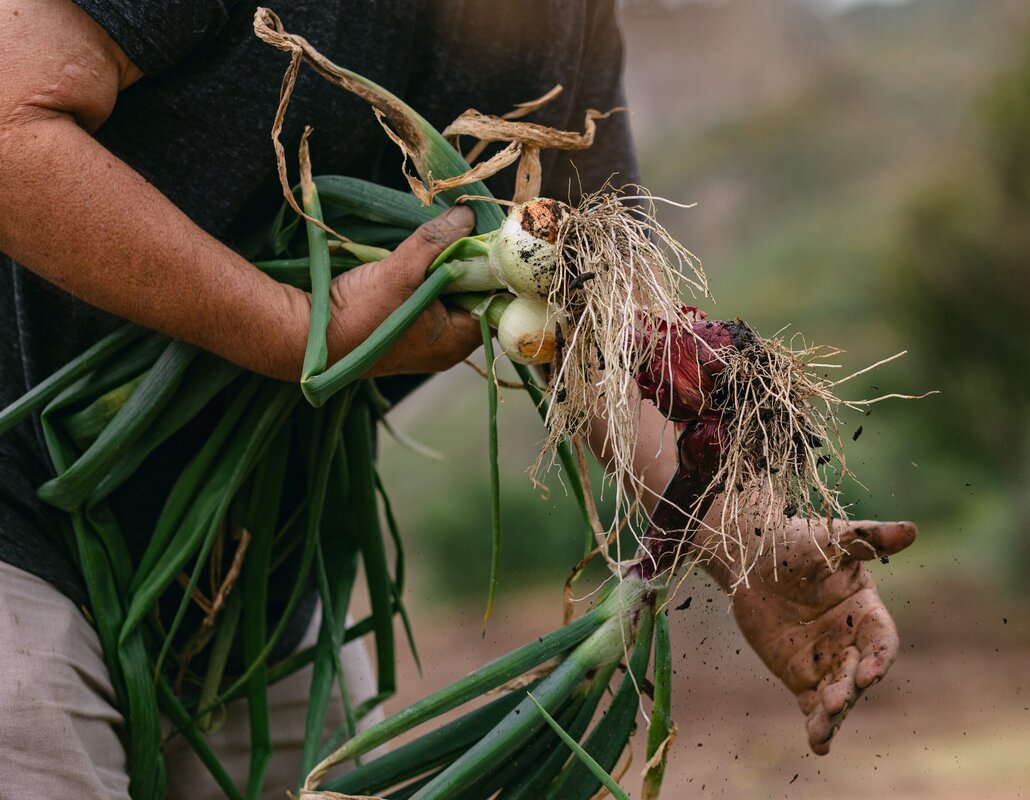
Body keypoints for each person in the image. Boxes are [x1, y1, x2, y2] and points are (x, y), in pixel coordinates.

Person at [0, 1, 915, 797]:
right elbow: (12, 119)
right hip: (22, 523)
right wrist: (293, 325)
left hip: (261, 586)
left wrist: (743, 537)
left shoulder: (564, 19)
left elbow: (573, 323)